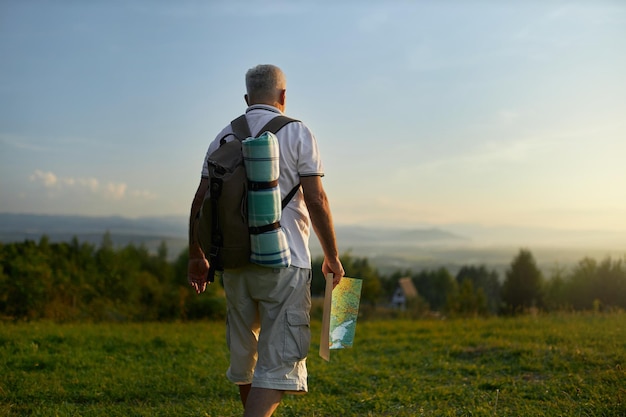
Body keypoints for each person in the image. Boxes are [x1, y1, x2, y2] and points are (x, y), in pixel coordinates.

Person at [187, 64, 344, 417]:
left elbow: (200, 202)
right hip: (285, 263)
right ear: (283, 96)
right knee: (277, 368)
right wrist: (332, 256)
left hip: (234, 262)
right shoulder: (299, 133)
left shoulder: (224, 136)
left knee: (247, 361)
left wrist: (197, 255)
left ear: (247, 98)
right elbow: (316, 199)